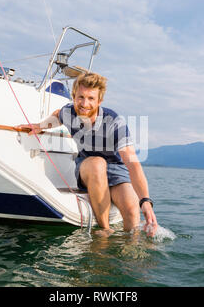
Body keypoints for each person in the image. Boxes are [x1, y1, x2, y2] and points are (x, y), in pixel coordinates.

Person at [16, 73, 157, 237]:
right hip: (88, 166)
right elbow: (57, 115)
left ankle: (132, 252)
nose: (84, 103)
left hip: (116, 170)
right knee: (98, 163)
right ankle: (105, 230)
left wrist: (145, 201)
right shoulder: (68, 112)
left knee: (132, 211)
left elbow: (132, 163)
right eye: (80, 97)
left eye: (91, 98)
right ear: (73, 96)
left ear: (99, 101)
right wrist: (40, 126)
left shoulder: (114, 122)